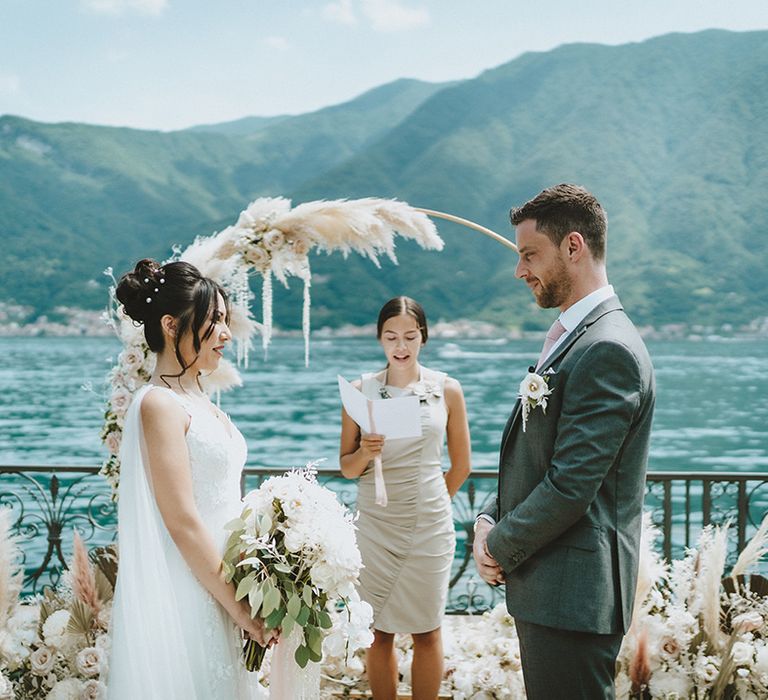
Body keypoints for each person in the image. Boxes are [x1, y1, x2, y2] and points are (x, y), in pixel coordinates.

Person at [472, 184, 655, 699]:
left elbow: (572, 484)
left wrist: (498, 545)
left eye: (530, 255)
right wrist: (490, 514)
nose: (520, 270)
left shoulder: (607, 349)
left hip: (575, 596)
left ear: (573, 246)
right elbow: (536, 455)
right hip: (555, 590)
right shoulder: (577, 338)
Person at [107, 259, 275, 699]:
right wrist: (239, 610)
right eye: (214, 320)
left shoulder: (198, 396)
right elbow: (181, 520)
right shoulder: (160, 404)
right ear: (170, 324)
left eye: (224, 319)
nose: (225, 332)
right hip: (194, 590)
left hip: (226, 581)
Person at [339, 296, 471, 700]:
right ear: (379, 339)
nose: (401, 346)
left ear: (423, 338)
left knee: (428, 630)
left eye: (410, 337)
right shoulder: (361, 390)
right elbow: (346, 466)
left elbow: (461, 465)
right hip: (375, 526)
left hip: (430, 524)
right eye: (391, 337)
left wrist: (432, 504)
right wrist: (366, 451)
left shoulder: (448, 390)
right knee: (377, 632)